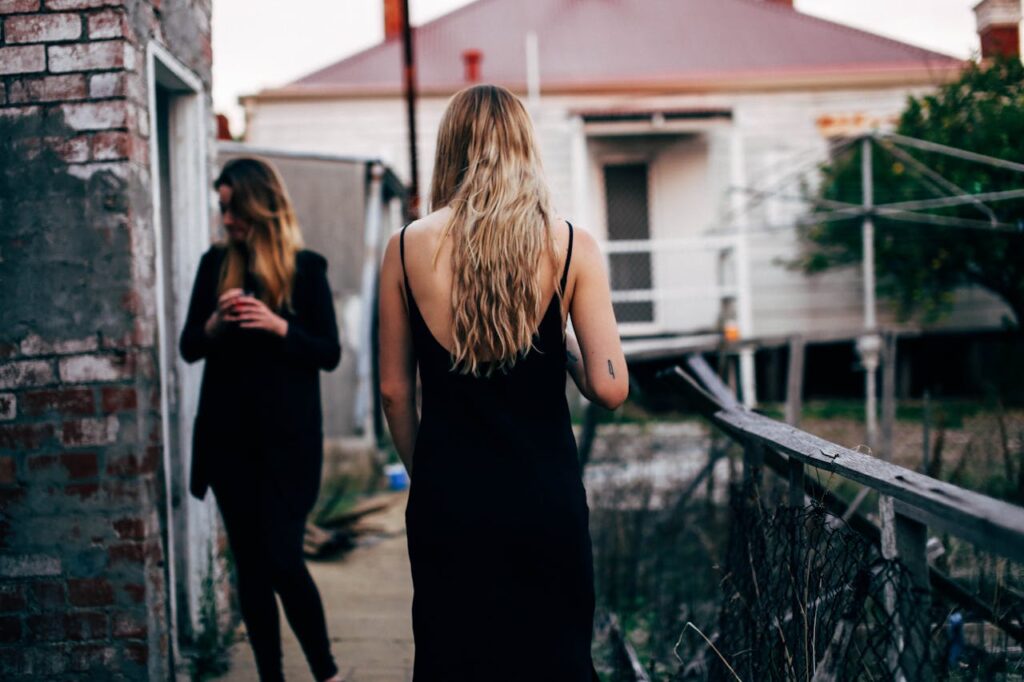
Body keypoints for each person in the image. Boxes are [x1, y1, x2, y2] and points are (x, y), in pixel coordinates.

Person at [378, 84, 629, 681]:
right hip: (545, 500)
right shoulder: (570, 246)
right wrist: (563, 347)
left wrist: (432, 473)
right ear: (523, 147)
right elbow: (611, 387)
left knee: (453, 660)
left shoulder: (407, 246)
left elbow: (394, 391)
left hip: (449, 500)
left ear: (451, 150)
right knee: (554, 661)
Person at [179, 156, 344, 682]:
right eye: (222, 208)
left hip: (288, 446)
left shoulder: (306, 269)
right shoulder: (214, 265)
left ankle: (326, 672)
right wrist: (214, 323)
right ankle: (270, 676)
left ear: (260, 205)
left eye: (234, 207)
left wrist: (278, 326)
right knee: (250, 566)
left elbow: (329, 352)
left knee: (281, 557)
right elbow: (188, 348)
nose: (226, 219)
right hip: (229, 443)